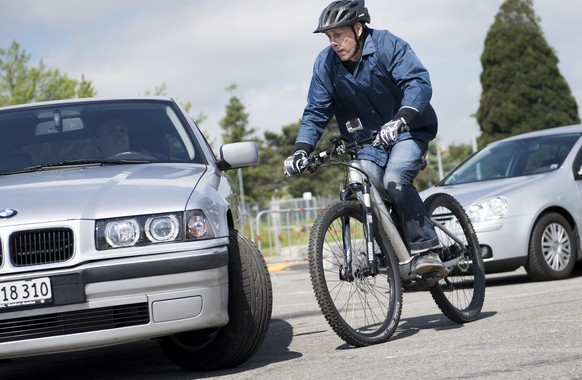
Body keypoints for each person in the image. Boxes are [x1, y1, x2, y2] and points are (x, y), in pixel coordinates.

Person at [283, 0, 447, 278]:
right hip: (367, 144)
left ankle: (427, 248)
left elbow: (417, 82)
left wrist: (401, 118)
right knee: (363, 184)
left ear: (358, 28)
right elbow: (315, 111)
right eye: (328, 37)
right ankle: (391, 247)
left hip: (409, 130)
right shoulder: (325, 64)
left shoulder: (387, 45)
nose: (333, 42)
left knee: (394, 179)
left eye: (338, 34)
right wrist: (301, 149)